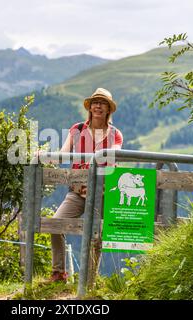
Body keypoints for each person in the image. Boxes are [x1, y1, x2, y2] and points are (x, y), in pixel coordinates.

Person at [49, 87, 123, 282]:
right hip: (77, 191)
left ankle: (89, 280)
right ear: (90, 107)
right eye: (95, 102)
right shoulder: (77, 130)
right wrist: (47, 156)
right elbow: (63, 154)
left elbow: (113, 156)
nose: (98, 106)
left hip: (102, 193)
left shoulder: (115, 134)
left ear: (109, 109)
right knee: (56, 224)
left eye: (103, 103)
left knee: (97, 236)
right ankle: (58, 273)